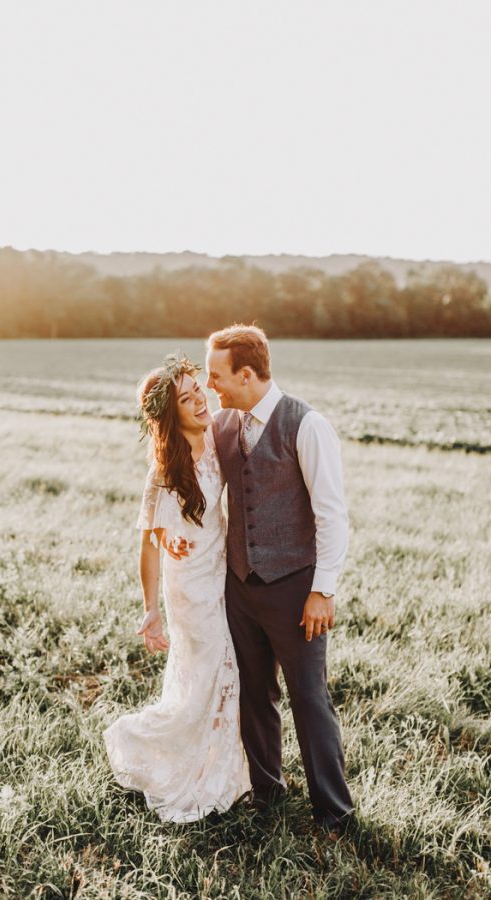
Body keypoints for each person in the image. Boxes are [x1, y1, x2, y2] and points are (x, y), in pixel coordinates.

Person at [205, 324, 354, 839]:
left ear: (246, 374)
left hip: (296, 587)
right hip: (239, 585)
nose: (211, 386)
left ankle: (334, 814)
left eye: (217, 375)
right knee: (254, 694)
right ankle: (268, 794)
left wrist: (323, 589)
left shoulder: (307, 425)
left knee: (309, 699)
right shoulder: (224, 425)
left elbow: (332, 515)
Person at [102, 353, 250, 823]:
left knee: (220, 674)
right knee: (215, 670)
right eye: (186, 399)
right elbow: (149, 546)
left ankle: (226, 766)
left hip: (220, 570)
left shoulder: (219, 433)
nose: (198, 400)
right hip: (188, 586)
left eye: (197, 390)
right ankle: (140, 740)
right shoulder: (165, 470)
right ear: (172, 414)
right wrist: (151, 610)